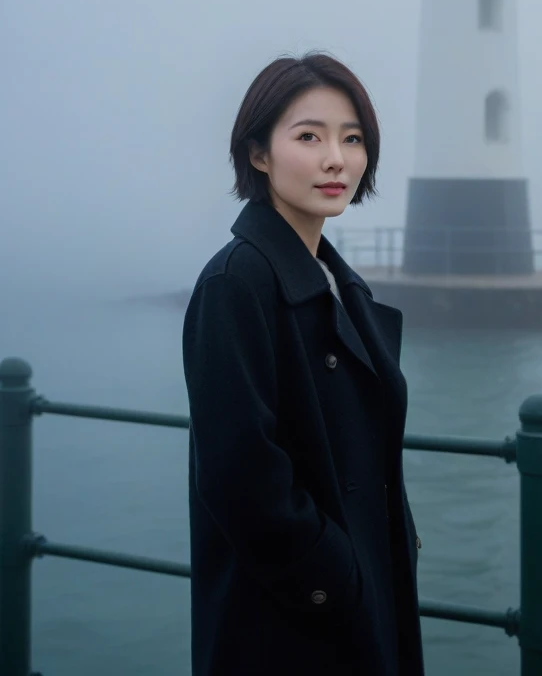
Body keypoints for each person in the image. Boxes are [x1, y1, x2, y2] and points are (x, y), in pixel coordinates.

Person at [182, 52, 426, 675]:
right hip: (289, 621)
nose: (335, 159)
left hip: (358, 597)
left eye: (352, 139)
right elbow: (239, 476)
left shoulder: (339, 283)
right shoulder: (236, 282)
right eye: (308, 136)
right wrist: (335, 576)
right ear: (258, 153)